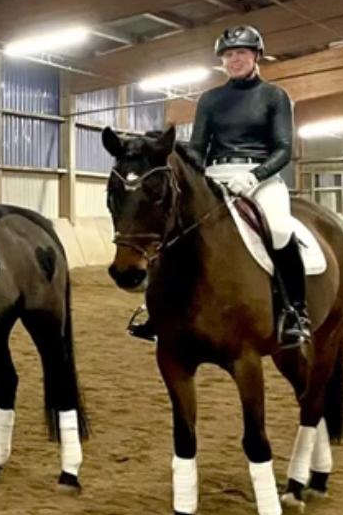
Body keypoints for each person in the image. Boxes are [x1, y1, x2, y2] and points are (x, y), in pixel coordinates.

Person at [129, 25, 306, 346]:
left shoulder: (274, 96)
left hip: (261, 177)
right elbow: (198, 147)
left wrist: (254, 176)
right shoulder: (210, 99)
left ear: (256, 56)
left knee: (280, 229)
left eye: (241, 53)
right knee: (173, 228)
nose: (234, 59)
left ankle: (295, 311)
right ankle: (159, 311)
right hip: (214, 174)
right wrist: (180, 159)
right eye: (228, 55)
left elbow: (284, 149)